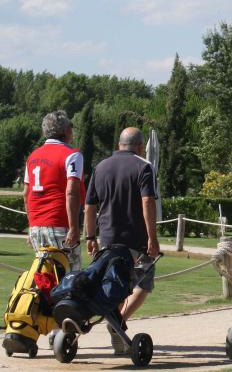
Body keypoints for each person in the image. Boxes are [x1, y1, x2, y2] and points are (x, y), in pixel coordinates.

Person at [84, 127, 160, 355]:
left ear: (119, 145)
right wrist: (152, 238)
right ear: (139, 146)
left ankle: (116, 324)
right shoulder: (144, 166)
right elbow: (148, 202)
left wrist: (90, 236)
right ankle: (119, 321)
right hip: (135, 241)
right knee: (143, 284)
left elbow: (89, 206)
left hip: (107, 238)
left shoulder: (101, 166)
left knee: (114, 283)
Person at [23, 110, 84, 271]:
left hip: (36, 225)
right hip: (60, 223)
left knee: (46, 279)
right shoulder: (72, 155)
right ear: (65, 130)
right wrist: (74, 227)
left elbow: (26, 193)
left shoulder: (32, 156)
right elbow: (71, 191)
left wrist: (31, 226)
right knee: (71, 280)